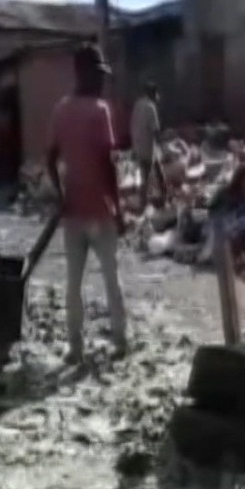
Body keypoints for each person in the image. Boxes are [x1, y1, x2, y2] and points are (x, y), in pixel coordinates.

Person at [47, 43, 127, 363]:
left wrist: (60, 196)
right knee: (111, 278)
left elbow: (50, 159)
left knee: (74, 282)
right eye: (98, 74)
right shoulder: (99, 109)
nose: (101, 81)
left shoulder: (60, 110)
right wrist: (118, 208)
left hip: (73, 211)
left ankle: (76, 347)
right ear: (84, 73)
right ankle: (120, 341)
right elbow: (108, 164)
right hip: (99, 211)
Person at [130, 81, 167, 207]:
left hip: (138, 144)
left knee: (157, 168)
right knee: (145, 175)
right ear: (153, 93)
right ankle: (143, 203)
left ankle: (164, 193)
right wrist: (163, 146)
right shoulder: (151, 107)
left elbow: (133, 124)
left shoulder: (138, 104)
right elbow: (155, 130)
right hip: (148, 145)